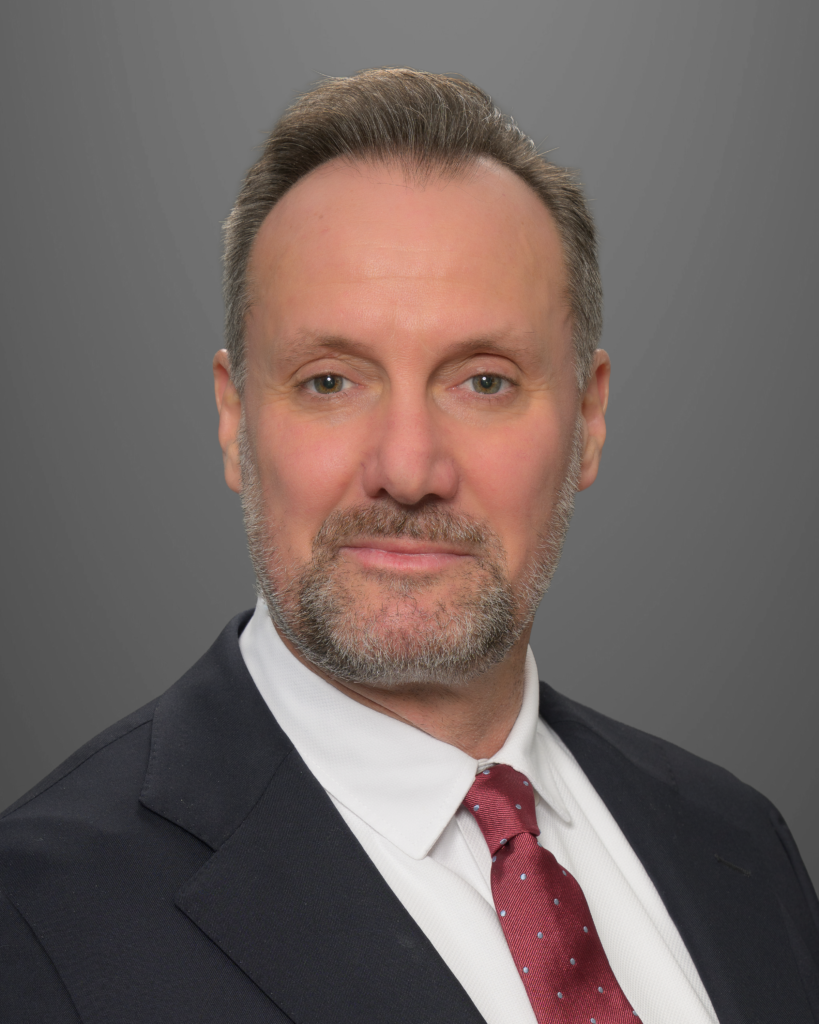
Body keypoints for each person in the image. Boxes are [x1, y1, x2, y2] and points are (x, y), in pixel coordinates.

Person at [1, 68, 817, 1024]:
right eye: (329, 382)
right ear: (233, 418)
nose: (407, 467)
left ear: (589, 419)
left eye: (483, 381)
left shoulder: (738, 843)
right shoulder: (36, 918)